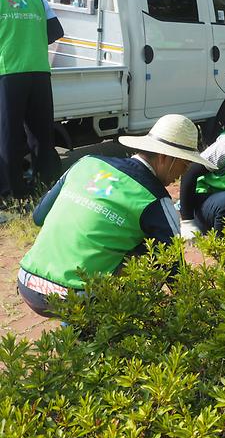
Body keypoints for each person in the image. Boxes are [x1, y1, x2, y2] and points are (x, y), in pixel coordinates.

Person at [17, 114, 213, 317]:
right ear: (166, 158)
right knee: (145, 259)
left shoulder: (86, 163)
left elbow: (38, 217)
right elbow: (175, 274)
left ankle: (76, 334)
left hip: (27, 281)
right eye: (184, 164)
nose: (183, 173)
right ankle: (95, 336)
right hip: (75, 297)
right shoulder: (156, 200)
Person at [0, 0, 64, 199]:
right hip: (38, 72)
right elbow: (55, 30)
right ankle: (46, 185)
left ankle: (11, 193)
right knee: (41, 134)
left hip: (7, 72)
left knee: (7, 135)